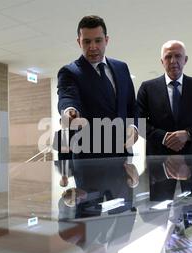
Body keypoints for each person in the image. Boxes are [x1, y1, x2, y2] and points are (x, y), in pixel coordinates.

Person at [57, 15, 138, 158]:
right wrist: (70, 112)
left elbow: (131, 105)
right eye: (87, 41)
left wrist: (134, 127)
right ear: (79, 42)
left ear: (106, 40)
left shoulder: (122, 68)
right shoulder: (70, 72)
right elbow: (68, 98)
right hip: (88, 159)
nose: (93, 47)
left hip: (123, 156)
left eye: (98, 40)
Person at [137, 40, 192, 155]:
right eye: (168, 57)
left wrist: (188, 134)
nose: (173, 61)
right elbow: (138, 122)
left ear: (185, 60)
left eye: (178, 56)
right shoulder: (147, 88)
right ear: (162, 62)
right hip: (158, 157)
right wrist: (164, 137)